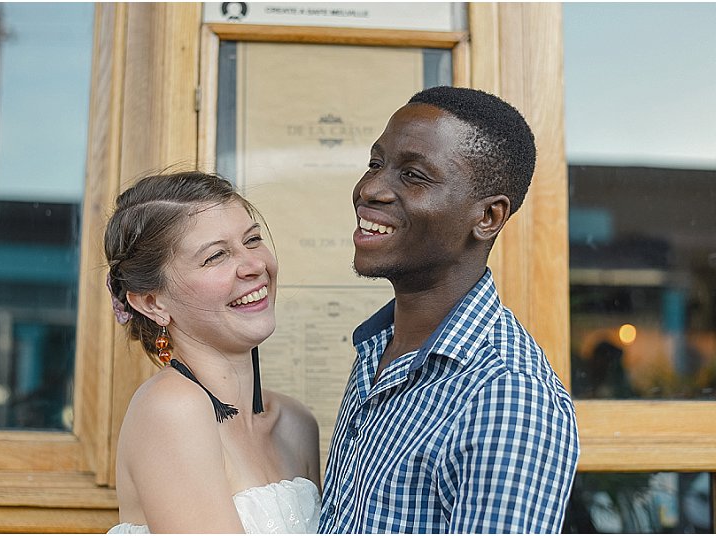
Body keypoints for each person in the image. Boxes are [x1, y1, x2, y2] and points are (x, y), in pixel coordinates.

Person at [319, 86, 580, 533]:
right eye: (376, 164)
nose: (370, 189)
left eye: (413, 175)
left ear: (488, 217)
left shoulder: (506, 394)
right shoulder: (380, 347)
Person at [104, 171, 321, 533]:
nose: (255, 266)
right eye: (216, 256)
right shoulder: (171, 408)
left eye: (253, 240)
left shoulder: (296, 423)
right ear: (152, 302)